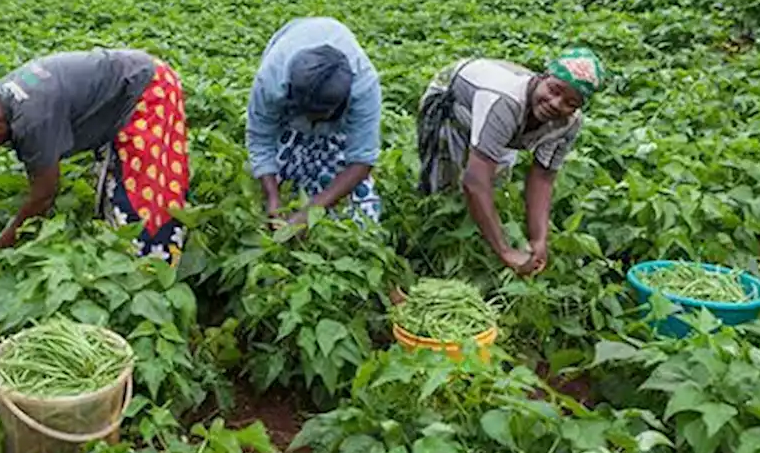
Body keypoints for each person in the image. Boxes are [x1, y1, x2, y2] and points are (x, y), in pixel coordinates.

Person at [0, 50, 190, 261]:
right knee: (115, 179)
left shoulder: (31, 121)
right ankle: (120, 249)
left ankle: (154, 270)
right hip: (124, 85)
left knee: (145, 193)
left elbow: (44, 194)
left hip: (148, 87)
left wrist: (1, 246)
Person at [416, 48, 604, 275]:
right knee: (444, 186)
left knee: (494, 185)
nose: (556, 103)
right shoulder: (505, 101)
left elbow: (543, 176)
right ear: (542, 77)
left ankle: (481, 234)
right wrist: (505, 251)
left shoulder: (569, 122)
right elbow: (475, 182)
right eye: (554, 90)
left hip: (506, 117)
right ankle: (432, 246)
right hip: (454, 98)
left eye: (570, 102)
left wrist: (539, 239)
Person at [247, 17, 382, 225]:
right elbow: (260, 137)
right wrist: (272, 198)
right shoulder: (271, 81)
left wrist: (312, 211)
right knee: (285, 183)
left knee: (358, 215)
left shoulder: (364, 87)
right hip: (289, 86)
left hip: (339, 116)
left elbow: (362, 160)